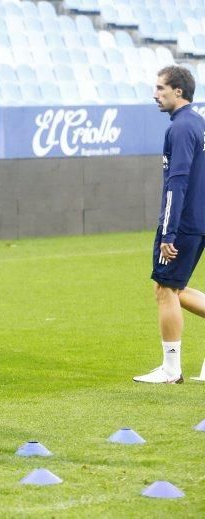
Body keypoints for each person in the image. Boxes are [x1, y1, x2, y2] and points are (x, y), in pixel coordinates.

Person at [134, 65, 205, 384]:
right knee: (173, 288)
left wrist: (169, 231)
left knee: (165, 289)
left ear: (179, 91)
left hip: (185, 222)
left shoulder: (179, 128)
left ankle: (171, 370)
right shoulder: (198, 123)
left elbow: (177, 182)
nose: (155, 94)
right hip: (200, 217)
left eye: (161, 88)